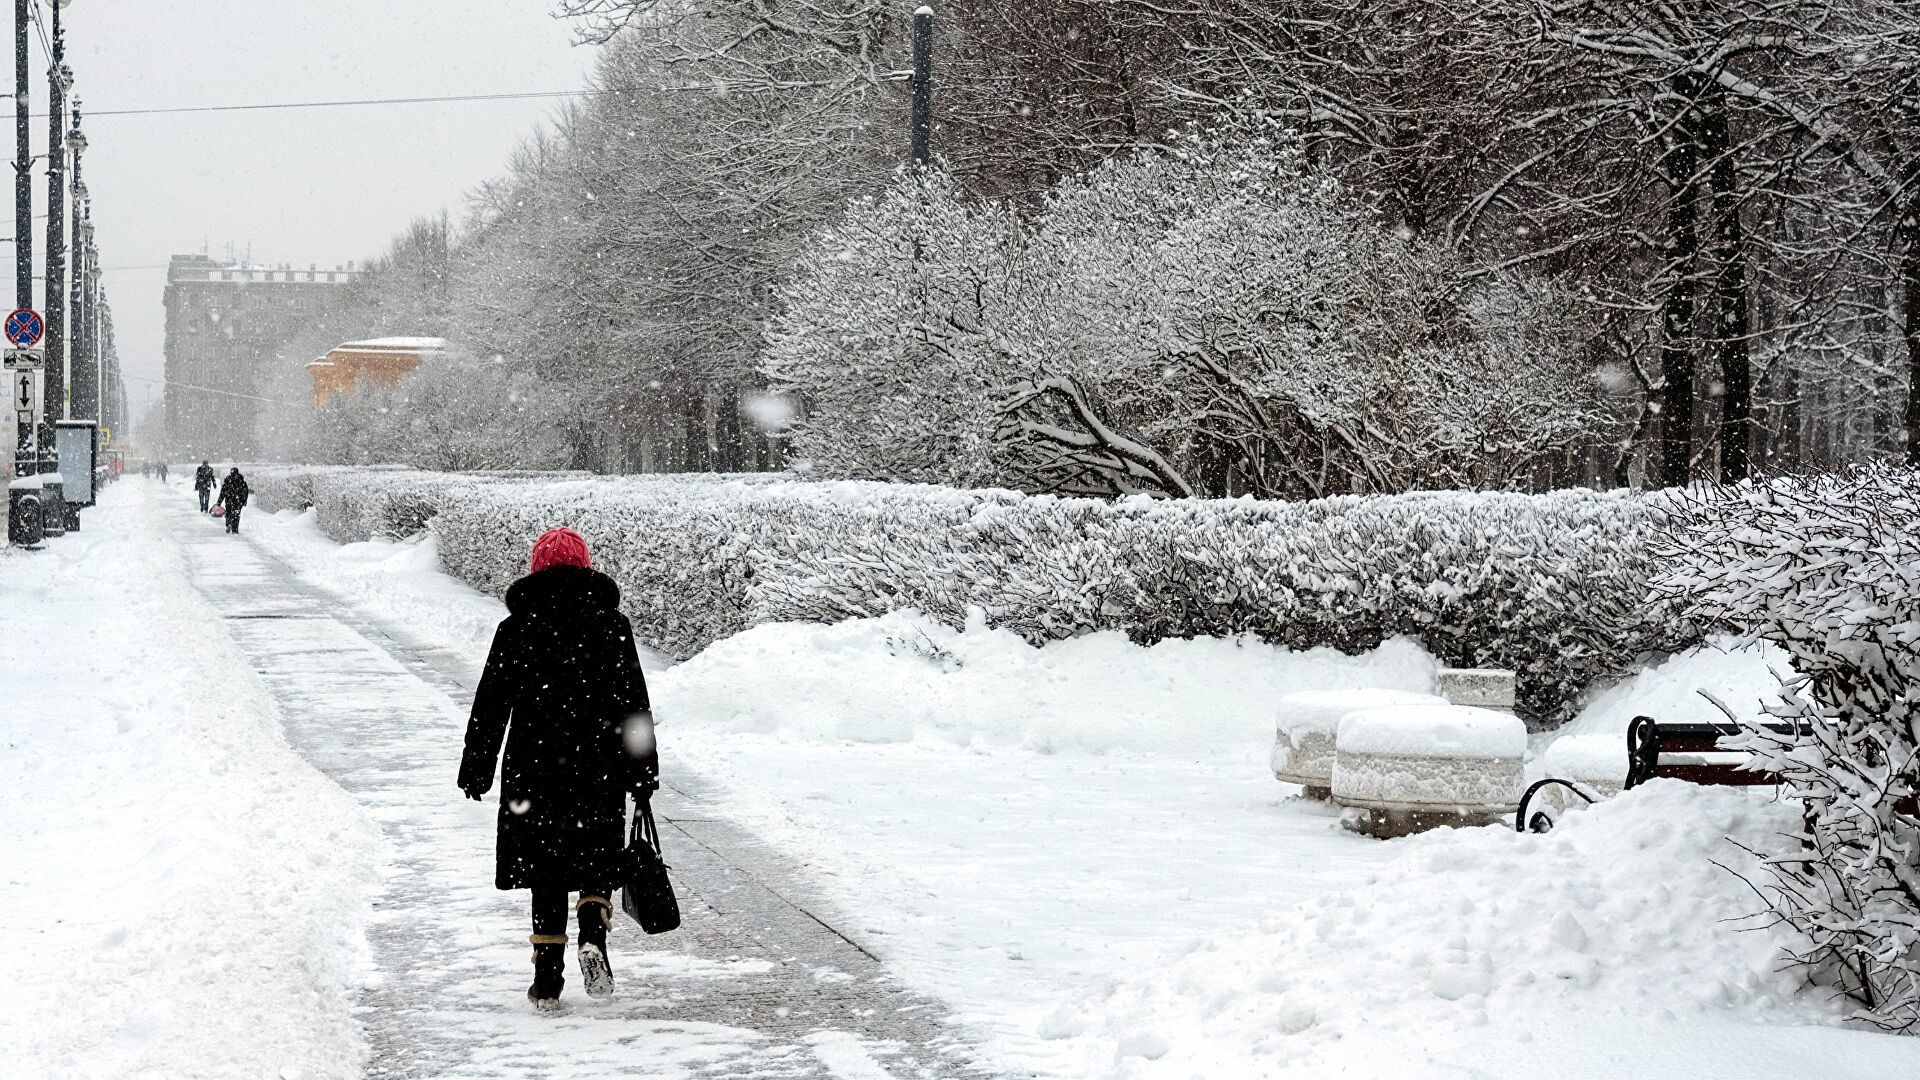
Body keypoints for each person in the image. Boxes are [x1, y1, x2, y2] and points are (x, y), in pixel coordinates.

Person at [458, 528, 655, 1012]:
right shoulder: (612, 626)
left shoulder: (517, 628)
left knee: (544, 868)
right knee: (594, 855)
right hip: (598, 765)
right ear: (586, 567)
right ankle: (593, 932)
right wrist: (642, 771)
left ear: (536, 570)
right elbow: (634, 706)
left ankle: (547, 981)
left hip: (534, 767)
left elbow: (491, 703)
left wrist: (477, 765)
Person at [214, 467, 249, 534]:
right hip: (238, 501)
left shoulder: (227, 481)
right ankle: (235, 529)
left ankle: (229, 523)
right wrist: (244, 501)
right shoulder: (242, 481)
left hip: (229, 500)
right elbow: (245, 492)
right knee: (236, 515)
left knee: (229, 513)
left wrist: (219, 502)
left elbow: (223, 492)